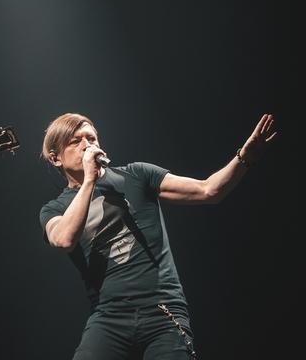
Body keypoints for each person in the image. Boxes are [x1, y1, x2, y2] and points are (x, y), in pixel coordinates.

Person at [39, 113, 276, 360]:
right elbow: (64, 239)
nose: (88, 145)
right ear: (56, 158)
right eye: (76, 141)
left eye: (92, 138)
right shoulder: (54, 209)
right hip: (108, 319)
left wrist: (244, 158)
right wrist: (89, 180)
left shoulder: (136, 175)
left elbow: (208, 190)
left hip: (162, 313)